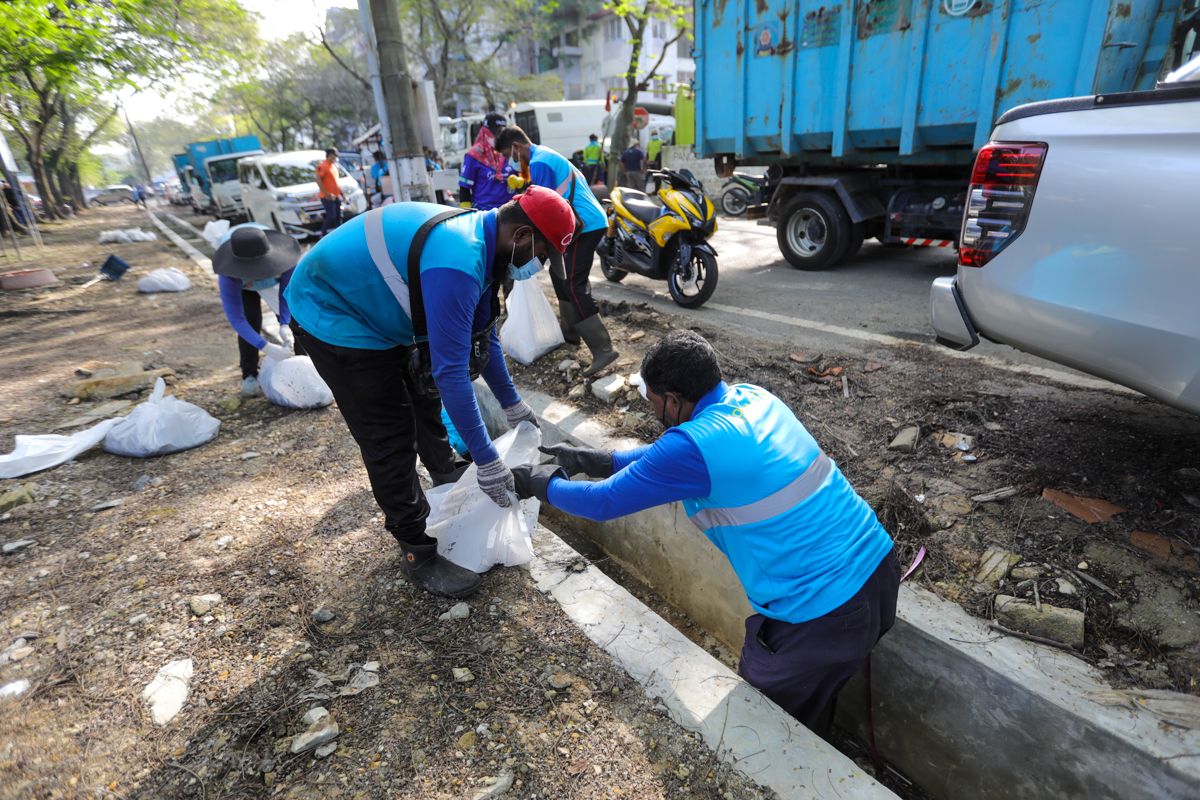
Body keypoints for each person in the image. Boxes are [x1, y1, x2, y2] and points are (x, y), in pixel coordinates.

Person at [513, 330, 900, 731]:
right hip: (879, 575)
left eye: (654, 404)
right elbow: (669, 458)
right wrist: (600, 461)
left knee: (765, 726)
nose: (655, 414)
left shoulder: (693, 447)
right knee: (813, 698)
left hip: (823, 613)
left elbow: (603, 502)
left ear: (674, 400)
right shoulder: (753, 398)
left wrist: (541, 484)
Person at [283, 186, 577, 598]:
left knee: (423, 396)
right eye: (542, 253)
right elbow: (451, 372)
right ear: (523, 235)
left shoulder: (487, 247)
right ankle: (416, 548)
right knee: (389, 432)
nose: (539, 265)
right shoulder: (459, 261)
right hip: (334, 310)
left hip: (377, 306)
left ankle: (444, 472)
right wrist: (487, 460)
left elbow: (483, 335)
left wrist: (512, 403)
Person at [495, 124, 620, 377]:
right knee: (559, 274)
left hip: (585, 224)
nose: (510, 160)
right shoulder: (541, 157)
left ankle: (603, 349)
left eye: (508, 154)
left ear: (516, 147)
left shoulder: (540, 162)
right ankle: (570, 335)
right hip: (580, 223)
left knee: (573, 282)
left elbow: (541, 207)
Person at [212, 223, 304, 397]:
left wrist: (284, 323)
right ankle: (249, 374)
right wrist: (265, 346)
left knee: (295, 320)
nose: (256, 274)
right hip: (244, 288)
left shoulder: (286, 260)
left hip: (274, 279)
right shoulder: (229, 274)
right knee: (250, 320)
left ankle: (303, 364)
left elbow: (287, 296)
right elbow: (237, 319)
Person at [458, 113, 512, 211]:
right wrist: (465, 213)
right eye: (496, 132)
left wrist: (520, 181)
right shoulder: (473, 156)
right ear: (485, 131)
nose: (499, 136)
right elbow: (464, 188)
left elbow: (523, 177)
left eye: (502, 132)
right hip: (484, 212)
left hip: (509, 210)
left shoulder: (508, 152)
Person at [315, 148, 344, 236]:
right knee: (331, 216)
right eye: (334, 155)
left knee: (339, 217)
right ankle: (323, 234)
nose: (335, 158)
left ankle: (340, 235)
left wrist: (342, 194)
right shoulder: (323, 166)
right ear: (330, 155)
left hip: (336, 196)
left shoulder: (333, 166)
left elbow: (336, 182)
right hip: (327, 197)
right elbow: (318, 179)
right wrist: (326, 194)